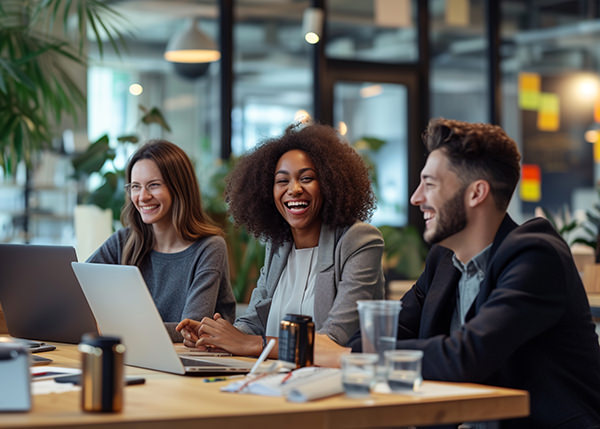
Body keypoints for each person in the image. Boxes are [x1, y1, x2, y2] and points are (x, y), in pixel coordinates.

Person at [317, 118, 600, 427]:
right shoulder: (443, 259)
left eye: (430, 184)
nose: (416, 198)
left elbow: (466, 355)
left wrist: (347, 356)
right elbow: (390, 332)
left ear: (476, 193)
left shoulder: (535, 256)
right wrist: (348, 351)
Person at [177, 123, 385, 357]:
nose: (294, 189)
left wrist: (251, 344)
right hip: (273, 378)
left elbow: (335, 338)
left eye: (307, 178)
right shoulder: (277, 245)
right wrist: (215, 336)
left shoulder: (359, 241)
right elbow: (254, 322)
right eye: (282, 181)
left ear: (330, 184)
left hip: (332, 385)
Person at [88, 139, 236, 339]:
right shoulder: (124, 241)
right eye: (135, 186)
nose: (142, 196)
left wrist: (116, 330)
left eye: (154, 185)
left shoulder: (209, 248)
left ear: (179, 188)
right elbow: (77, 296)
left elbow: (189, 329)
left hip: (187, 362)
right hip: (134, 358)